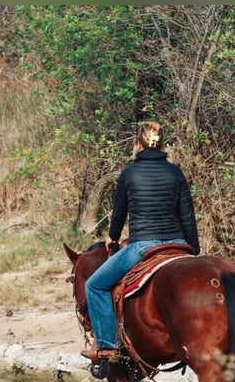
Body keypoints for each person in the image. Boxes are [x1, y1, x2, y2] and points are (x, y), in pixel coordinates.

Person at [81, 121, 200, 365]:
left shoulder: (129, 173)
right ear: (163, 145)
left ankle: (107, 347)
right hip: (178, 243)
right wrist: (194, 251)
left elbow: (119, 213)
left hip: (143, 246)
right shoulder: (176, 172)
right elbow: (187, 216)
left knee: (95, 285)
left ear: (138, 144)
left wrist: (112, 237)